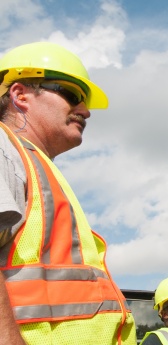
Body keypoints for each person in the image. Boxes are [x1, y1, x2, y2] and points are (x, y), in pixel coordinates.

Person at [0, 42, 135, 344]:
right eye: (72, 95)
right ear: (20, 95)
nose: (85, 111)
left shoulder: (33, 162)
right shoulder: (5, 148)